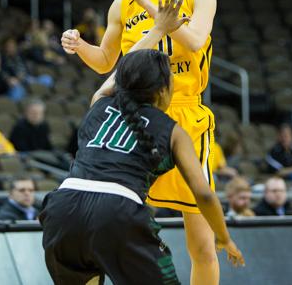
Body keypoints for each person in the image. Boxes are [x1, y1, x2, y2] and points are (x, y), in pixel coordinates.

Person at [60, 0, 226, 283]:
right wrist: (79, 45)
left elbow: (196, 41)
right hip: (134, 122)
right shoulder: (123, 4)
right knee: (107, 226)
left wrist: (151, 5)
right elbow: (106, 62)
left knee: (202, 245)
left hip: (184, 119)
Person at [41, 15, 243, 285]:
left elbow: (121, 72)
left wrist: (158, 29)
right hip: (116, 212)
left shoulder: (99, 102)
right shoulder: (172, 130)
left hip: (62, 208)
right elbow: (204, 195)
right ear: (163, 90)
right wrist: (223, 236)